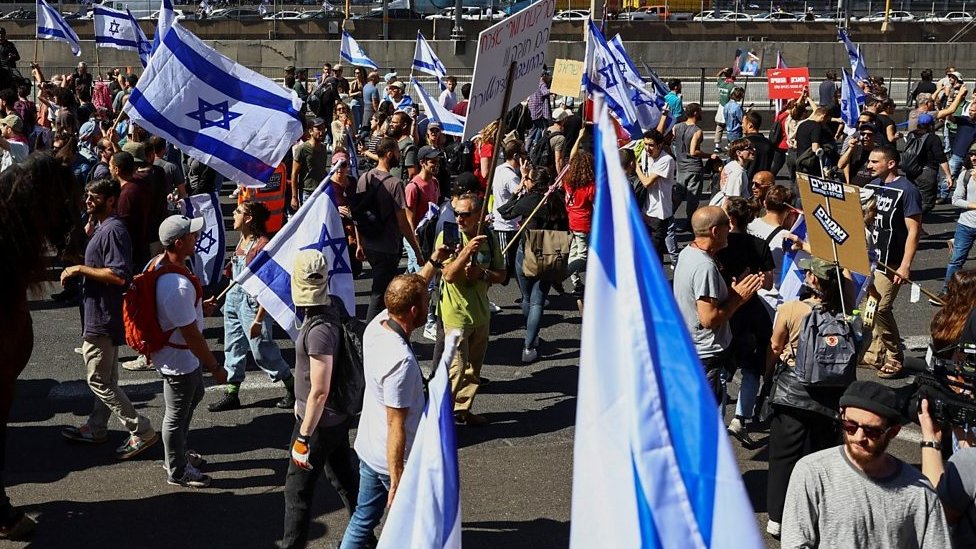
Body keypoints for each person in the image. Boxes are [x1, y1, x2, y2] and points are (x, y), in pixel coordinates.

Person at [338, 253, 451, 549]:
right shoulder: (400, 362)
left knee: (363, 518)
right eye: (426, 302)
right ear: (414, 311)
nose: (430, 304)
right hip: (392, 461)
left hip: (368, 447)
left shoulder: (378, 324)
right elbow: (396, 424)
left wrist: (432, 264)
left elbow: (410, 290)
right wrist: (398, 479)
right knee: (417, 526)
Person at [781, 381, 952, 547]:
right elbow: (795, 542)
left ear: (893, 432)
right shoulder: (813, 471)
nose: (859, 437)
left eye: (872, 431)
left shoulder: (919, 492)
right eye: (850, 426)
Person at [59, 178, 159, 458]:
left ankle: (141, 431)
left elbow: (118, 275)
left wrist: (79, 268)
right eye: (87, 194)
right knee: (108, 378)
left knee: (98, 381)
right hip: (98, 312)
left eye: (95, 196)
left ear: (112, 200)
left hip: (102, 315)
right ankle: (97, 426)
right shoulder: (103, 227)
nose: (89, 200)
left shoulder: (113, 230)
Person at [764, 256, 853, 538]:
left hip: (793, 394)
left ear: (813, 280)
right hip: (830, 398)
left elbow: (775, 346)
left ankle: (777, 518)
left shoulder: (790, 309)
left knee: (783, 459)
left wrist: (767, 378)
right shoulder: (846, 313)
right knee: (819, 460)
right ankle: (813, 516)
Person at [281, 250, 361, 549]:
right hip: (335, 417)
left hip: (318, 423)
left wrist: (303, 437)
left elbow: (320, 390)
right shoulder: (333, 306)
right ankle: (363, 536)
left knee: (296, 491)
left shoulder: (318, 331)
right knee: (343, 476)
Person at [151, 215, 228, 488]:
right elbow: (193, 336)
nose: (197, 238)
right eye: (193, 235)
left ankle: (178, 453)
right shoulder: (178, 286)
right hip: (179, 360)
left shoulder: (162, 265)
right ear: (179, 242)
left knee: (194, 395)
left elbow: (181, 317)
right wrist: (215, 368)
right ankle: (177, 469)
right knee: (176, 414)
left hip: (176, 355)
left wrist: (198, 308)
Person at [206, 202, 295, 412]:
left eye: (238, 212)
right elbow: (234, 278)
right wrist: (218, 300)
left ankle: (291, 386)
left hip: (252, 305)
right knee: (232, 347)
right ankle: (231, 393)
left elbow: (268, 287)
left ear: (248, 219)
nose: (234, 214)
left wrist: (258, 319)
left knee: (262, 351)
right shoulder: (241, 241)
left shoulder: (262, 246)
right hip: (233, 301)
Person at [672, 206, 762, 398]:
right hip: (706, 354)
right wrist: (739, 298)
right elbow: (708, 319)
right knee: (707, 413)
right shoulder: (704, 267)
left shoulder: (688, 253)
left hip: (692, 347)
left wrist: (730, 292)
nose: (730, 229)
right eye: (726, 225)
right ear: (715, 231)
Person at [437, 193, 505, 426]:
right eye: (457, 214)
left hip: (480, 313)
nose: (459, 219)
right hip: (455, 316)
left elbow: (502, 275)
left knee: (473, 370)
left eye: (465, 215)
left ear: (479, 216)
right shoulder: (449, 235)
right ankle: (440, 419)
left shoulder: (490, 239)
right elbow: (448, 275)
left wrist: (483, 274)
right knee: (455, 370)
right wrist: (466, 252)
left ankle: (462, 411)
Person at [717, 197, 773, 449]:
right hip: (753, 313)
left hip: (727, 310)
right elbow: (769, 283)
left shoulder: (720, 245)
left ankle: (716, 419)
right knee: (752, 368)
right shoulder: (760, 245)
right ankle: (740, 418)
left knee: (721, 368)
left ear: (730, 219)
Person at [862, 146, 923, 379]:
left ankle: (895, 354)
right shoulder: (870, 188)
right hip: (870, 258)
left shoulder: (907, 190)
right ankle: (876, 352)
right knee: (868, 306)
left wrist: (905, 265)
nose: (869, 165)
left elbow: (914, 231)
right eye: (869, 161)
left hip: (892, 262)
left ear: (891, 164)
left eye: (874, 162)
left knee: (881, 307)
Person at [356, 136, 424, 323]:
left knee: (381, 291)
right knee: (380, 295)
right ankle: (370, 335)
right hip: (387, 247)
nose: (399, 155)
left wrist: (360, 243)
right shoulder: (395, 184)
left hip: (370, 243)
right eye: (397, 152)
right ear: (388, 154)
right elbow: (403, 223)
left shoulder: (365, 178)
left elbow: (358, 215)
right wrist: (417, 251)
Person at [503, 166, 559, 363]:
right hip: (551, 246)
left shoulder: (529, 201)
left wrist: (518, 191)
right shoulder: (555, 200)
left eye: (527, 179)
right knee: (538, 299)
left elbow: (504, 212)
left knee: (528, 298)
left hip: (527, 249)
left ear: (532, 183)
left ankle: (531, 338)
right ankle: (529, 343)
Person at [936, 145, 976, 301]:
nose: (974, 158)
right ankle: (947, 291)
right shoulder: (964, 175)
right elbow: (956, 200)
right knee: (956, 260)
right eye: (971, 154)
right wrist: (973, 205)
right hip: (965, 225)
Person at [635, 129, 676, 264]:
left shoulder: (666, 160)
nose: (647, 148)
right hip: (645, 209)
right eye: (645, 144)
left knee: (654, 250)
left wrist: (636, 167)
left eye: (651, 145)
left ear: (660, 145)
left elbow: (647, 182)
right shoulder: (645, 154)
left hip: (659, 213)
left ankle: (658, 279)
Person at [491, 139, 527, 284]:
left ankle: (525, 294)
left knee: (511, 266)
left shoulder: (500, 169)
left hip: (504, 224)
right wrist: (525, 176)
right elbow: (521, 194)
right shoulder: (511, 176)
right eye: (524, 153)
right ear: (517, 156)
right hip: (507, 226)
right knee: (504, 268)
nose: (526, 156)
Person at [564, 151, 596, 307]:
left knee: (574, 252)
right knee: (583, 256)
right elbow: (596, 204)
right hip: (585, 223)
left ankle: (576, 282)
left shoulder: (568, 182)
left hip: (572, 221)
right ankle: (566, 273)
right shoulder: (590, 186)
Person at [404, 146, 442, 273]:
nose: (436, 165)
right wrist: (417, 248)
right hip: (415, 239)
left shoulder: (435, 182)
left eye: (438, 161)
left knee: (411, 275)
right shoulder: (413, 187)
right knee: (424, 278)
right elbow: (409, 221)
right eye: (433, 162)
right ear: (422, 163)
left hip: (428, 237)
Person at [906, 113, 952, 214]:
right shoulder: (933, 138)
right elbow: (941, 158)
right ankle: (913, 220)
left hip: (911, 170)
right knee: (927, 203)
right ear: (931, 125)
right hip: (927, 173)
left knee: (914, 198)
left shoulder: (911, 134)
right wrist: (948, 175)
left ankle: (912, 218)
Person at [290, 117, 330, 210]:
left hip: (321, 191)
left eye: (323, 128)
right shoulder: (302, 149)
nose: (322, 132)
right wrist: (294, 197)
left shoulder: (323, 148)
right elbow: (294, 174)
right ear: (311, 131)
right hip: (307, 193)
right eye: (318, 129)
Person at [711, 138, 754, 206]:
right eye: (749, 149)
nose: (753, 150)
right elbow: (733, 199)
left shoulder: (731, 165)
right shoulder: (737, 173)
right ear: (739, 153)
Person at [743, 111, 773, 179]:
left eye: (743, 123)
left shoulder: (744, 143)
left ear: (750, 125)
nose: (742, 125)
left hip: (747, 182)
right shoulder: (768, 143)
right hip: (764, 181)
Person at [714, 68, 735, 149]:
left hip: (720, 107)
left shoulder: (721, 83)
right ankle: (730, 144)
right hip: (729, 109)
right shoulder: (732, 86)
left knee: (719, 127)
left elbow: (717, 76)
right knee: (730, 127)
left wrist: (722, 71)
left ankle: (717, 146)